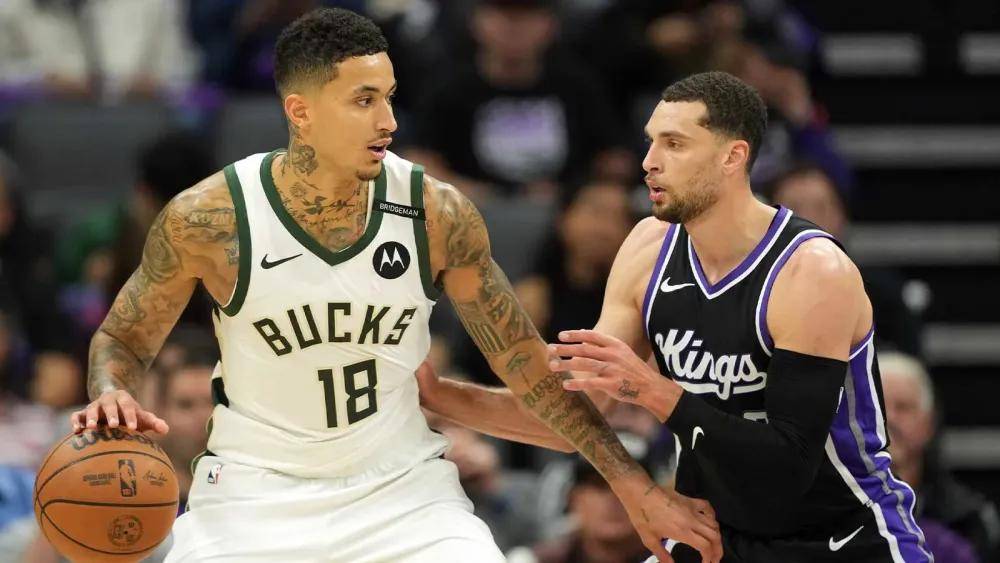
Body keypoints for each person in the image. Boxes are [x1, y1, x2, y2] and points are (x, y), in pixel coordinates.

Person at [69, 8, 721, 562]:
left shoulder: (437, 213)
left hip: (404, 493)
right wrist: (110, 392)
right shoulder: (209, 218)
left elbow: (529, 370)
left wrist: (633, 483)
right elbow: (122, 339)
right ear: (301, 112)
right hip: (250, 494)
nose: (388, 120)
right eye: (363, 101)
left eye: (387, 95)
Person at [418, 71, 931, 562]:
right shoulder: (648, 248)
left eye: (674, 144)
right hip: (714, 537)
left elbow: (788, 465)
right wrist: (439, 396)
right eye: (650, 143)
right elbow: (566, 423)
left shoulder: (811, 270)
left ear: (733, 157)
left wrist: (654, 391)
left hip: (839, 539)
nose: (649, 162)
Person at [764, 163, 923, 357]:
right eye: (794, 210)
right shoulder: (748, 294)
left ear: (842, 217)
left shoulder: (882, 294)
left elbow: (909, 364)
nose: (808, 220)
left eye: (821, 209)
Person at [880, 352, 1000, 562]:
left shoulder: (966, 521)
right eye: (877, 406)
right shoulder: (829, 511)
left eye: (903, 407)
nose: (889, 418)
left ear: (929, 422)